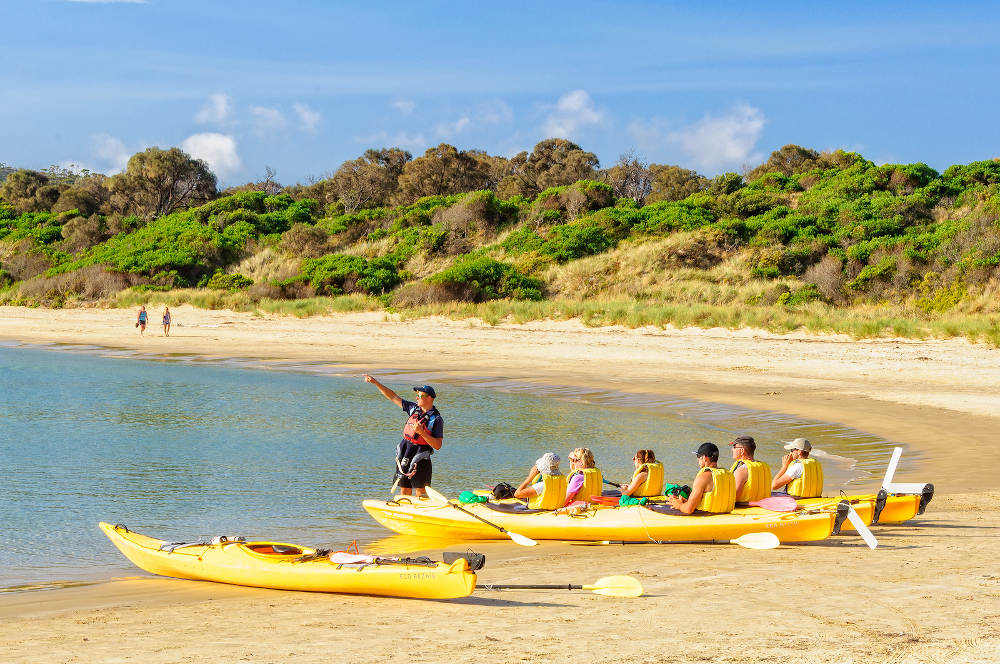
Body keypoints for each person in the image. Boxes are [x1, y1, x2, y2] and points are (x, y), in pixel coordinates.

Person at [363, 375, 443, 499]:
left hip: (421, 455)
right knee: (405, 488)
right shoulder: (413, 409)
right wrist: (375, 383)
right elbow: (393, 396)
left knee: (421, 492)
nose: (417, 398)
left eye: (420, 396)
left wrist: (422, 433)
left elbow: (437, 445)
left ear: (430, 398)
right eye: (417, 396)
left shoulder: (436, 419)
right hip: (406, 451)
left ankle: (422, 513)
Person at [665, 442, 736, 514]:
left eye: (698, 457)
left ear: (705, 458)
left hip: (708, 517)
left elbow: (688, 510)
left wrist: (679, 505)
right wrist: (687, 502)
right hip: (725, 514)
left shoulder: (703, 477)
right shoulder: (728, 474)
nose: (697, 460)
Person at [728, 435, 772, 503]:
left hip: (745, 508)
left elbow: (734, 498)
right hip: (762, 506)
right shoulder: (765, 466)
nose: (732, 449)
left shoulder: (741, 471)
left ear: (742, 450)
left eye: (734, 447)